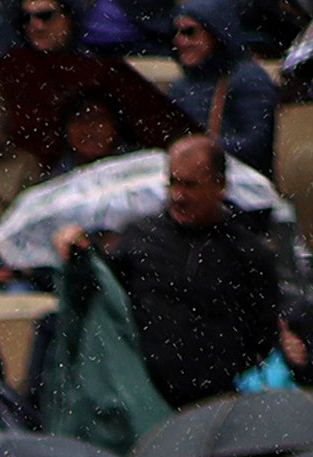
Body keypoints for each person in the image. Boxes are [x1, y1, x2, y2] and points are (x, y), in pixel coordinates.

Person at [97, 132, 301, 412]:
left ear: (219, 186)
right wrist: (80, 250)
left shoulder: (248, 253)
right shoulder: (140, 238)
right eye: (173, 182)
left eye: (190, 185)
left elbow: (262, 332)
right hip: (144, 397)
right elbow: (103, 298)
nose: (178, 196)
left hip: (216, 401)